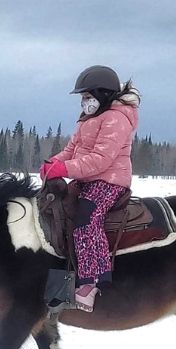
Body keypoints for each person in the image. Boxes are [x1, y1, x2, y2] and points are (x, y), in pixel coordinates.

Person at [40, 66, 140, 311]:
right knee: (56, 214)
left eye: (87, 96)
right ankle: (58, 283)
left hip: (109, 181)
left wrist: (65, 170)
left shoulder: (116, 118)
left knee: (86, 221)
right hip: (85, 179)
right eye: (82, 98)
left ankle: (91, 280)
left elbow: (100, 160)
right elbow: (71, 150)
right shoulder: (88, 119)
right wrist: (53, 163)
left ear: (103, 94)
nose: (84, 102)